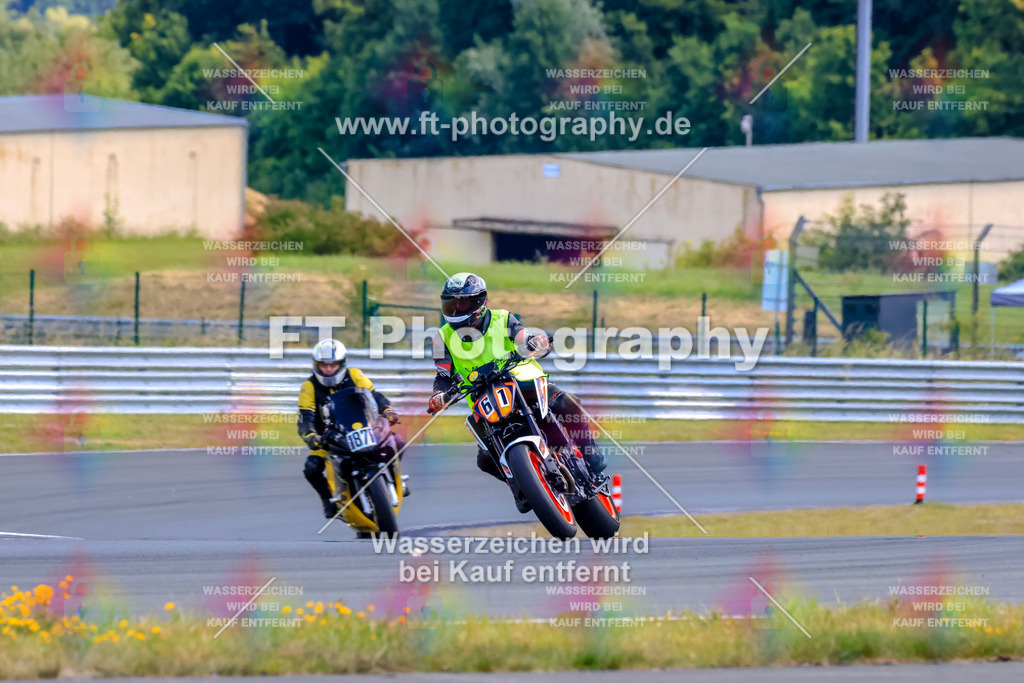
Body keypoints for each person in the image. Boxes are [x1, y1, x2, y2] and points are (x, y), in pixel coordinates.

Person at [428, 272, 606, 487]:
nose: (456, 310)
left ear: (479, 302)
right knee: (485, 460)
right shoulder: (442, 337)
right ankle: (523, 487)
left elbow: (525, 338)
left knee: (566, 403)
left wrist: (536, 343)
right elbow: (443, 376)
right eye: (451, 304)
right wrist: (439, 395)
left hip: (522, 381)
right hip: (483, 400)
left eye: (462, 303)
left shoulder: (502, 318)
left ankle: (590, 453)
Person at [298, 339, 403, 519]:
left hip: (364, 430)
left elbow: (375, 395)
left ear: (342, 363)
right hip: (329, 438)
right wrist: (311, 436)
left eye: (333, 364)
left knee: (397, 441)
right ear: (316, 365)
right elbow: (305, 418)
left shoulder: (355, 375)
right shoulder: (309, 387)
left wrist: (387, 410)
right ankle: (327, 500)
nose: (328, 369)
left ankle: (397, 479)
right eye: (323, 365)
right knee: (311, 467)